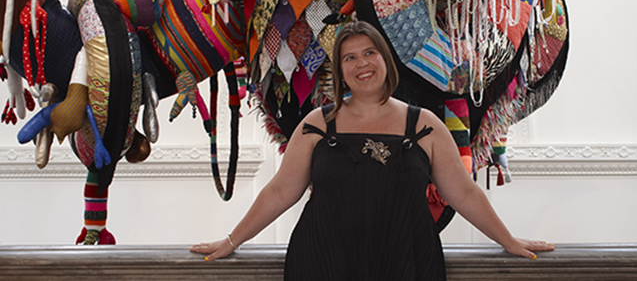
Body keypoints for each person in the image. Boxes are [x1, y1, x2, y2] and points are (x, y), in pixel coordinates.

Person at [191, 21, 554, 279]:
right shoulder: (317, 124)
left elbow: (463, 192)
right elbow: (280, 191)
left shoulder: (425, 125)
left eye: (369, 53)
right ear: (340, 71)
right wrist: (232, 239)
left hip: (405, 260)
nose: (362, 63)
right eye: (349, 58)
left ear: (385, 60)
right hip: (323, 263)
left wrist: (507, 239)